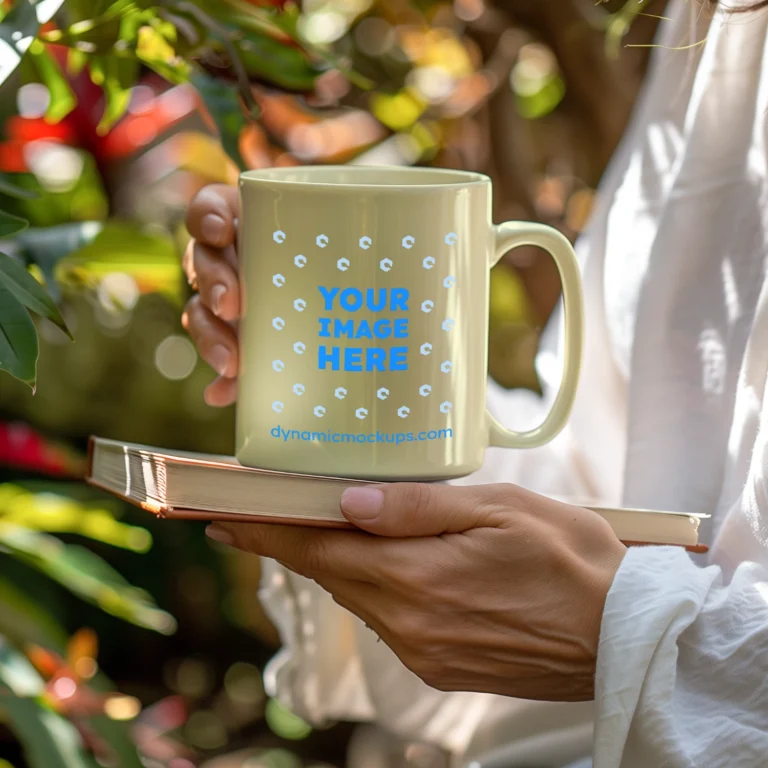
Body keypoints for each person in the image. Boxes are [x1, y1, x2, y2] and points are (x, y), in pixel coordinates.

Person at [181, 1, 768, 765]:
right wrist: (328, 372)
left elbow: (644, 587)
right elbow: (621, 487)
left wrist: (628, 635)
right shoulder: (715, 29)